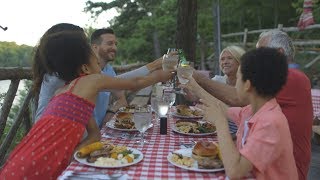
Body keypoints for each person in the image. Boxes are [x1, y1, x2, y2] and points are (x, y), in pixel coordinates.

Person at [0, 31, 172, 179]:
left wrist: (70, 157)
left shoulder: (67, 92)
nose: (97, 59)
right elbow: (136, 82)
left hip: (27, 158)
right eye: (92, 54)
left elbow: (95, 135)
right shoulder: (92, 81)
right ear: (85, 69)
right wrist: (162, 75)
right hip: (39, 165)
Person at [190, 29, 312, 180]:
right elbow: (226, 108)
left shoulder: (291, 77)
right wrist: (193, 86)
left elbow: (237, 98)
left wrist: (199, 80)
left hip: (278, 170)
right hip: (263, 164)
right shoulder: (262, 107)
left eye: (261, 53)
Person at [90, 28, 163, 128]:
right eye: (110, 44)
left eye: (116, 44)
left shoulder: (109, 70)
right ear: (95, 47)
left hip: (103, 129)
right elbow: (133, 83)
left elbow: (121, 99)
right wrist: (155, 67)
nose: (114, 48)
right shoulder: (87, 71)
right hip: (85, 135)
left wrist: (109, 114)